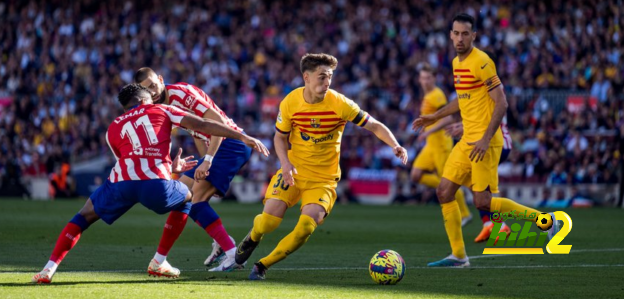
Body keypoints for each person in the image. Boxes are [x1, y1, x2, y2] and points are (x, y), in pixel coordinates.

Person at [32, 84, 269, 284]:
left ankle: (48, 270)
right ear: (145, 99)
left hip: (121, 183)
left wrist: (169, 168)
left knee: (82, 216)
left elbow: (131, 161)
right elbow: (204, 125)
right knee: (188, 197)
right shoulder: (163, 109)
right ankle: (159, 261)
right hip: (155, 185)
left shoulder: (113, 127)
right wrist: (242, 136)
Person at [229, 53, 408, 280]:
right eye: (322, 77)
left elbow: (373, 125)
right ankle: (253, 237)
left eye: (330, 77)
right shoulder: (291, 102)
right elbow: (279, 138)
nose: (327, 83)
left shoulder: (340, 103)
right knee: (268, 222)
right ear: (306, 77)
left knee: (305, 227)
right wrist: (284, 163)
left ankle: (262, 266)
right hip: (293, 171)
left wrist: (395, 144)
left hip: (323, 180)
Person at [413, 14, 560, 268]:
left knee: (482, 201)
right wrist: (434, 117)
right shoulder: (456, 63)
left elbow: (502, 102)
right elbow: (463, 98)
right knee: (444, 191)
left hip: (485, 142)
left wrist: (485, 138)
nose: (460, 38)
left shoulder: (481, 61)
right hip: (467, 139)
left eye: (465, 34)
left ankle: (546, 220)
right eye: (456, 33)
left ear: (474, 36)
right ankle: (459, 256)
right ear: (450, 35)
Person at [135, 67, 263, 271]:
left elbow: (217, 124)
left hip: (230, 144)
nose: (153, 92)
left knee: (196, 202)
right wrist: (206, 162)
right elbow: (197, 130)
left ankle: (232, 254)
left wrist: (208, 161)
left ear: (161, 78)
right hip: (219, 147)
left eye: (153, 85)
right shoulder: (164, 105)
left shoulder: (181, 94)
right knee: (180, 197)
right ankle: (159, 261)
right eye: (147, 90)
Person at [423, 114, 513, 243]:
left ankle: (501, 224)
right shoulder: (471, 96)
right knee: (476, 187)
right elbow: (456, 112)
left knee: (480, 190)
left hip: (495, 143)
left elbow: (489, 117)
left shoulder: (488, 94)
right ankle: (489, 224)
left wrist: (464, 127)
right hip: (485, 142)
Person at [411, 64, 471, 225]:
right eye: (423, 78)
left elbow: (448, 118)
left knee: (448, 182)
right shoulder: (427, 95)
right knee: (415, 175)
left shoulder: (437, 95)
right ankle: (453, 189)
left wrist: (428, 131)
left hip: (441, 145)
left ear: (434, 79)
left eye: (428, 78)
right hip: (430, 146)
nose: (425, 81)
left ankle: (465, 214)